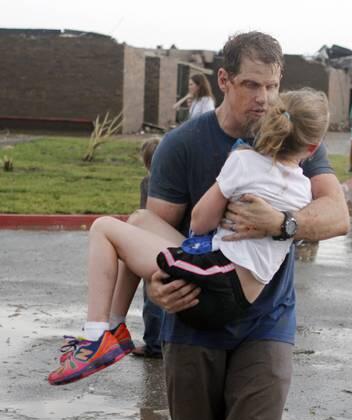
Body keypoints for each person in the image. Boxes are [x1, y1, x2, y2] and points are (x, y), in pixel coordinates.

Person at [146, 32, 348, 420]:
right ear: (225, 80)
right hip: (193, 316)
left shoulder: (291, 135)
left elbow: (338, 215)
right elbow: (155, 229)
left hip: (266, 319)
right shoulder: (181, 146)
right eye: (253, 85)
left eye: (273, 85)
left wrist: (283, 224)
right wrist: (154, 286)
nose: (266, 98)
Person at [47, 88, 329, 385]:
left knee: (103, 227)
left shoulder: (244, 161)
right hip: (241, 290)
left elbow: (198, 223)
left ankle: (95, 335)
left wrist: (229, 183)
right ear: (312, 148)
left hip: (215, 285)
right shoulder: (304, 190)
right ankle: (115, 329)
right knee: (139, 220)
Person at [135, 137, 165, 358]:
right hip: (172, 241)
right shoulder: (175, 181)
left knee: (152, 296)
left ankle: (153, 343)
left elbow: (143, 214)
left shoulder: (147, 183)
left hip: (150, 244)